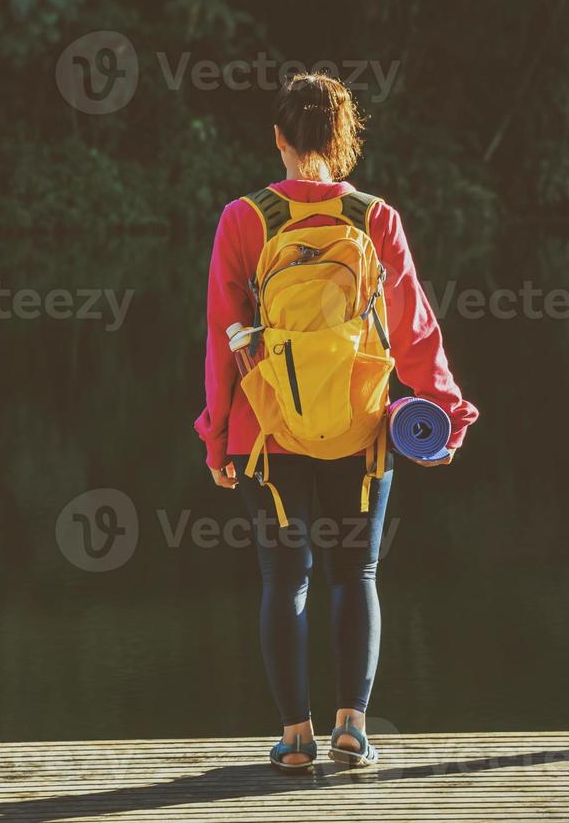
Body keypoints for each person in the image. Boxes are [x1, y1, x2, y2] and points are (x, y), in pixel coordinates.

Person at [194, 72, 478, 771]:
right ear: (344, 141)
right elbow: (413, 326)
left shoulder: (244, 218)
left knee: (284, 582)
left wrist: (215, 434)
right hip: (360, 426)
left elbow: (221, 334)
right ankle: (352, 729)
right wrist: (445, 412)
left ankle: (295, 739)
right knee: (357, 575)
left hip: (267, 430)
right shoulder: (375, 217)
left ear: (279, 139)